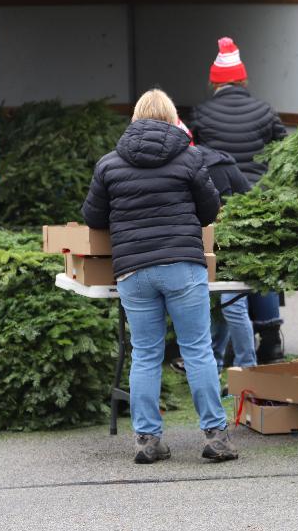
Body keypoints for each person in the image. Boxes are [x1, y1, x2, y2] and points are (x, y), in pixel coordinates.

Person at [81, 89, 237, 465]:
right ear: (171, 118)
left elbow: (92, 219)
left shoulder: (109, 164)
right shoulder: (190, 157)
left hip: (132, 270)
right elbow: (210, 210)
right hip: (183, 265)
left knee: (146, 354)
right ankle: (215, 437)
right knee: (197, 349)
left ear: (134, 118)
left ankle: (147, 441)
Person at [191, 37, 287, 363]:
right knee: (262, 266)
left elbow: (194, 156)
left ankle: (227, 346)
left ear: (213, 81)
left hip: (221, 201)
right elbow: (285, 150)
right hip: (257, 199)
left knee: (227, 272)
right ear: (243, 79)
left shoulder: (201, 114)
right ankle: (271, 337)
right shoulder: (265, 111)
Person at [196, 144, 258, 372]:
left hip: (240, 243)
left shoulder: (214, 171)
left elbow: (222, 214)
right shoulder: (200, 165)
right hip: (220, 243)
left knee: (232, 307)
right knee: (223, 303)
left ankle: (248, 368)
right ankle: (216, 363)